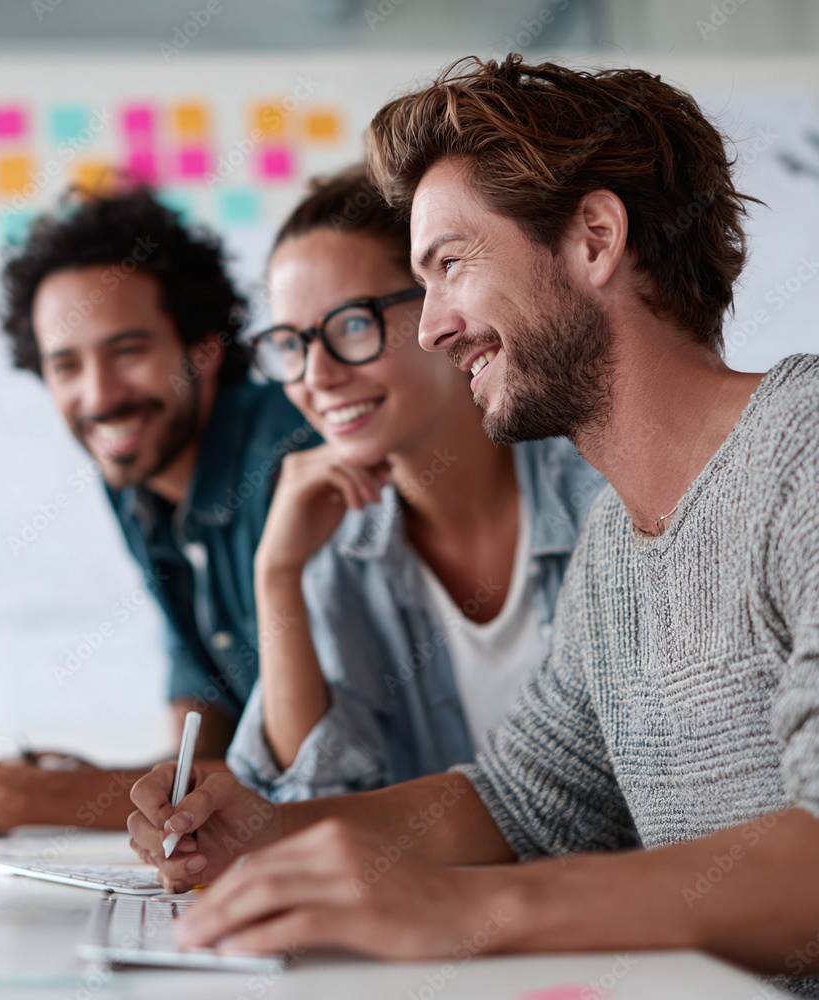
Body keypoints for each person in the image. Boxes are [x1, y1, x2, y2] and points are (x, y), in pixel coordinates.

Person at [127, 56, 819, 993]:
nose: (430, 329)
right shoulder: (616, 548)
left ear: (595, 239)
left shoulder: (803, 455)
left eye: (452, 265)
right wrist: (267, 829)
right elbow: (518, 802)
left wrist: (461, 912)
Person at [0, 187, 316, 835]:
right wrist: (88, 788)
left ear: (204, 348)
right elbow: (205, 732)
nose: (100, 397)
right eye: (65, 365)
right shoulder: (137, 476)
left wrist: (16, 796)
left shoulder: (290, 460)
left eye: (128, 352)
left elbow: (311, 779)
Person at [226, 167, 604, 800]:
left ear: (441, 309)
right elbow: (309, 802)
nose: (316, 376)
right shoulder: (339, 550)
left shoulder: (600, 495)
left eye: (351, 324)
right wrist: (277, 576)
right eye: (291, 343)